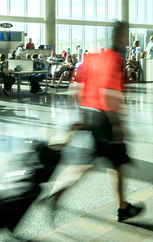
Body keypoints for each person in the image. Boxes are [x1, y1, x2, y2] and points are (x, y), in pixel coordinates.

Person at [47, 21, 143, 222]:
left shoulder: (97, 57)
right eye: (126, 35)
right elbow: (108, 93)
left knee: (91, 162)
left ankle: (58, 192)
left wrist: (83, 116)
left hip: (91, 112)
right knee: (116, 163)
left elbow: (77, 86)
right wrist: (118, 126)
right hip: (105, 117)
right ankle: (122, 208)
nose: (127, 39)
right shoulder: (115, 59)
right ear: (119, 37)